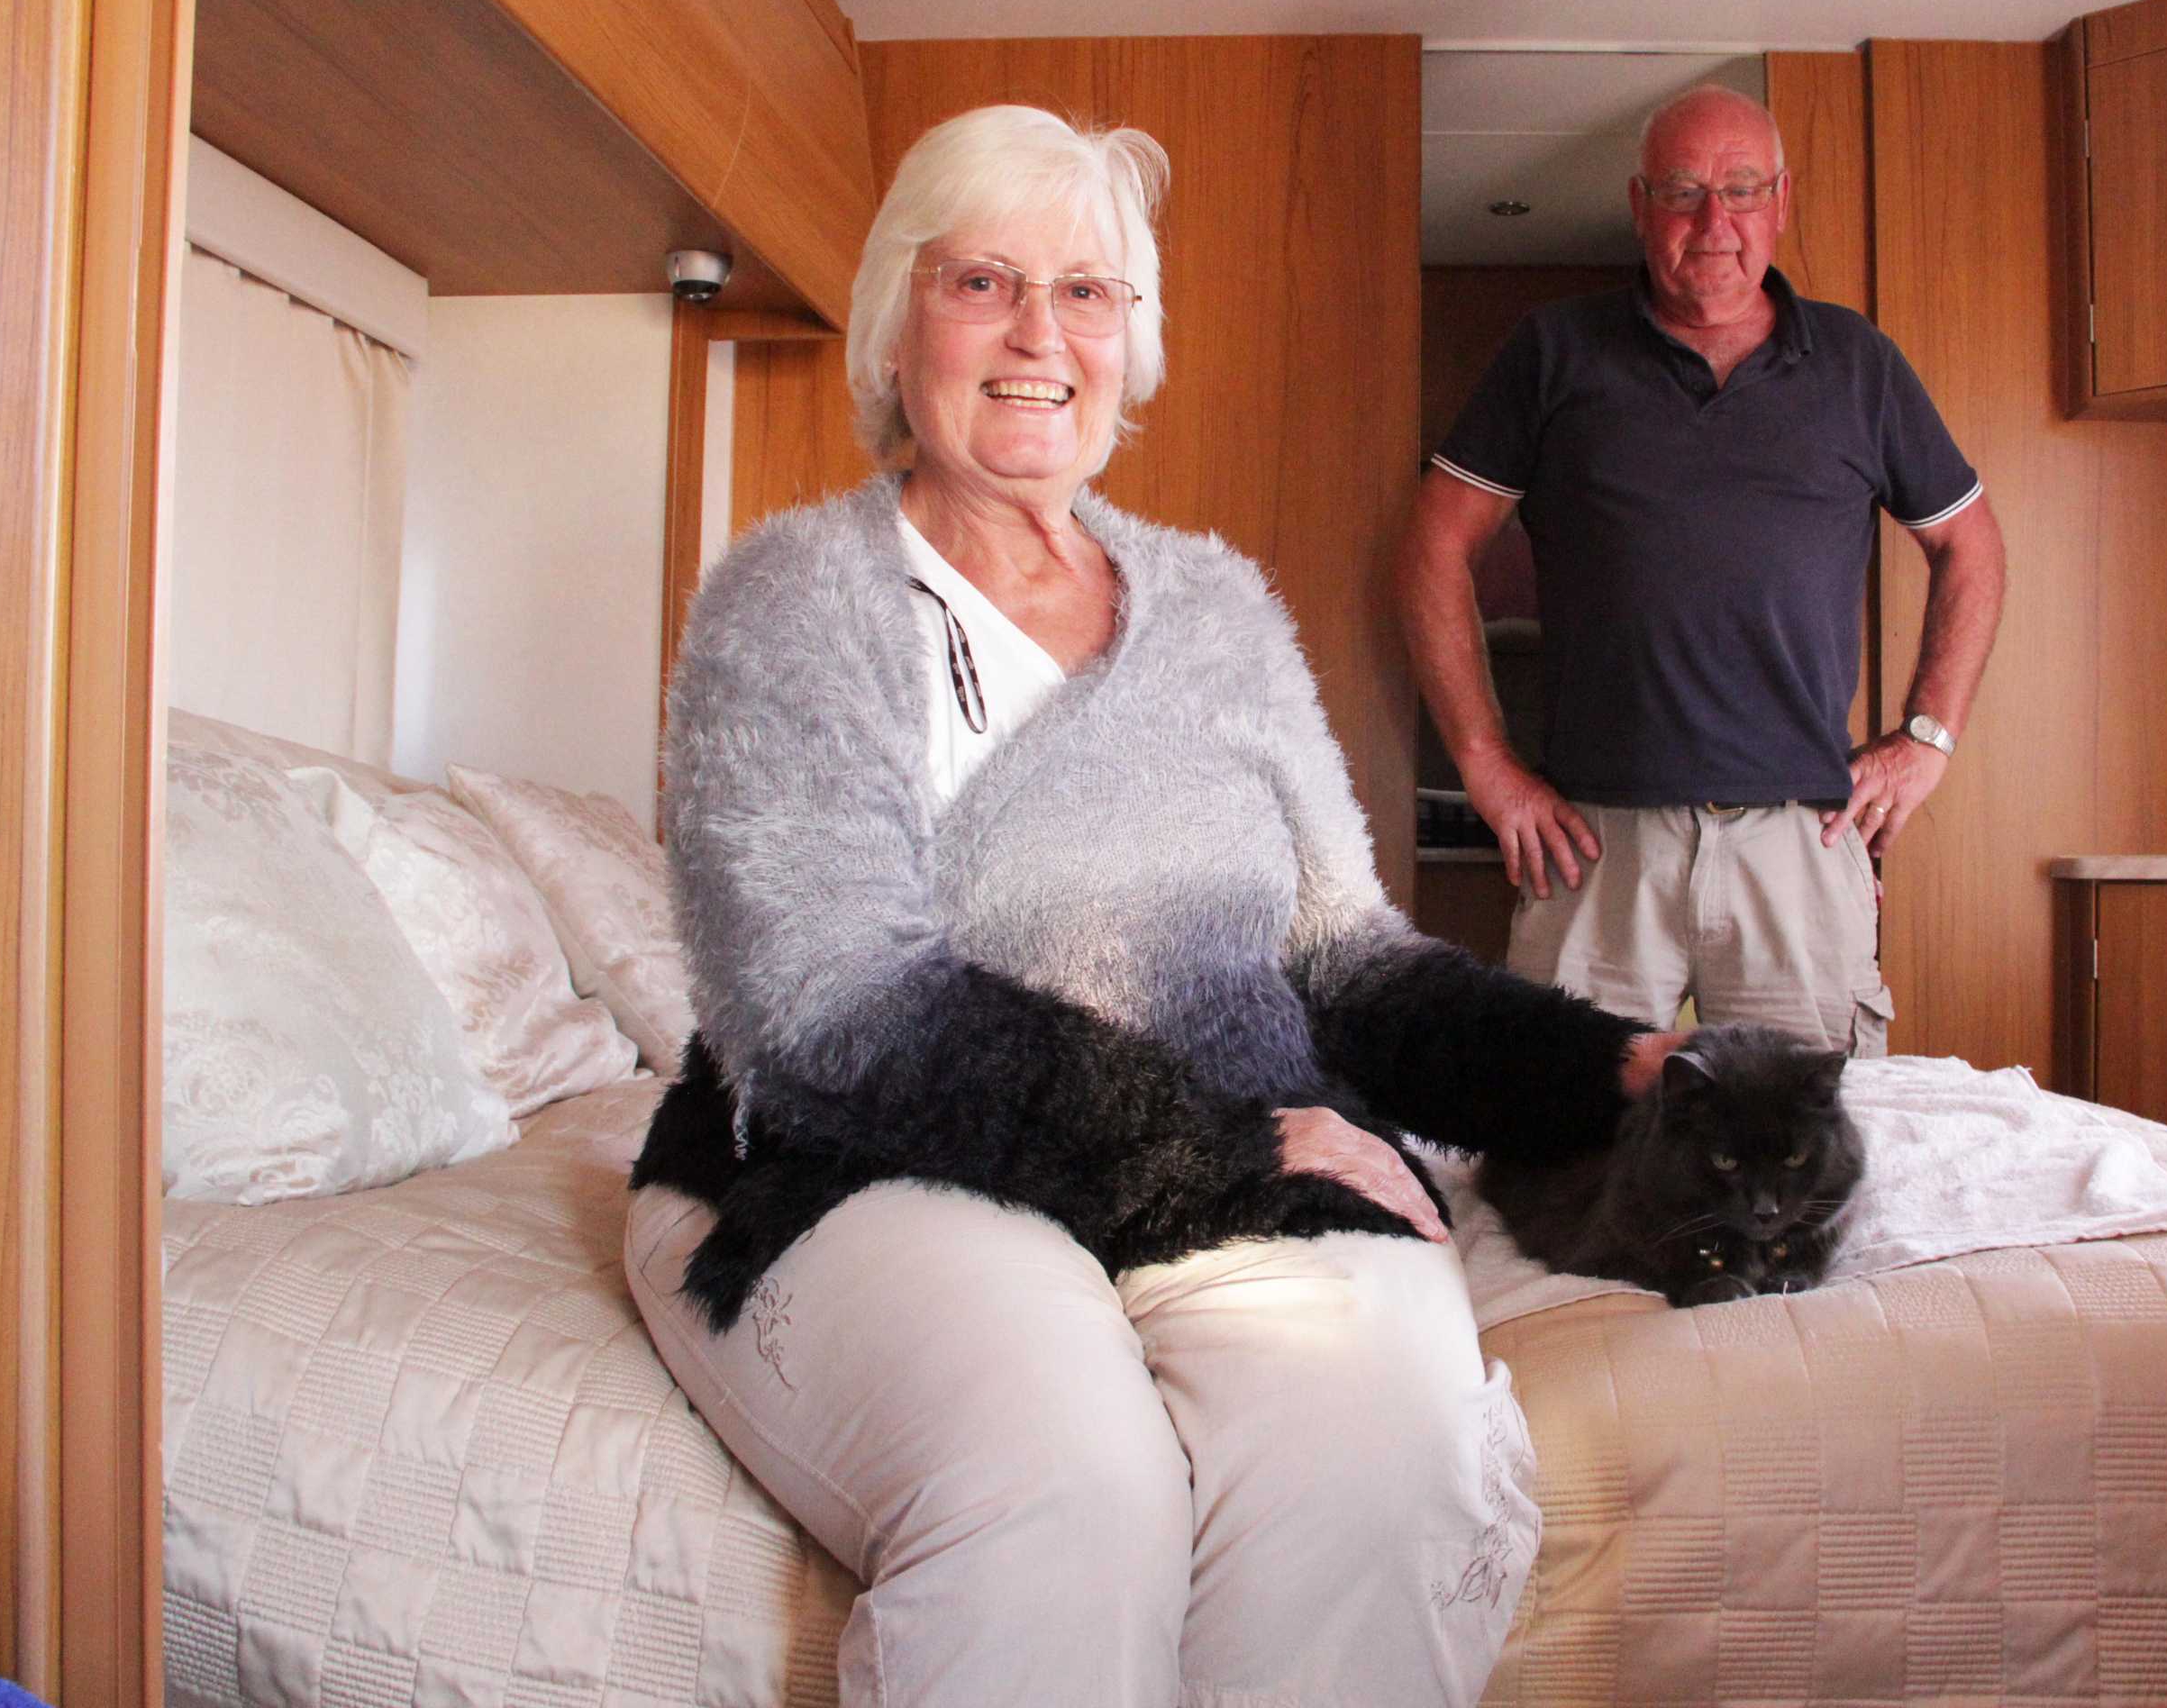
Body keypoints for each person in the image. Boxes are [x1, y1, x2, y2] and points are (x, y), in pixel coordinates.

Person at [622, 104, 1686, 1708]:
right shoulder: (794, 602)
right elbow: (833, 1014)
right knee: (1068, 1483)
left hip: (1214, 1169)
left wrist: (1605, 1070)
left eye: (1088, 292)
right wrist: (1235, 1144)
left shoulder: (1218, 608)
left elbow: (1346, 963)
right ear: (898, 325)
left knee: (1383, 1439)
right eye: (983, 283)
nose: (1040, 335)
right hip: (862, 1170)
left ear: (1133, 345)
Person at [1399, 82, 2007, 1054]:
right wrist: (1484, 763)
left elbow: (1970, 542)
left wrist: (1927, 738)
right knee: (1560, 1125)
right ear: (1641, 206)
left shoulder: (1858, 363)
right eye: (1683, 191)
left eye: (1742, 189)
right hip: (1596, 848)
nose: (1714, 222)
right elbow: (1434, 542)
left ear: (1781, 201)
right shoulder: (1554, 351)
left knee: (1800, 1138)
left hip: (1800, 842)